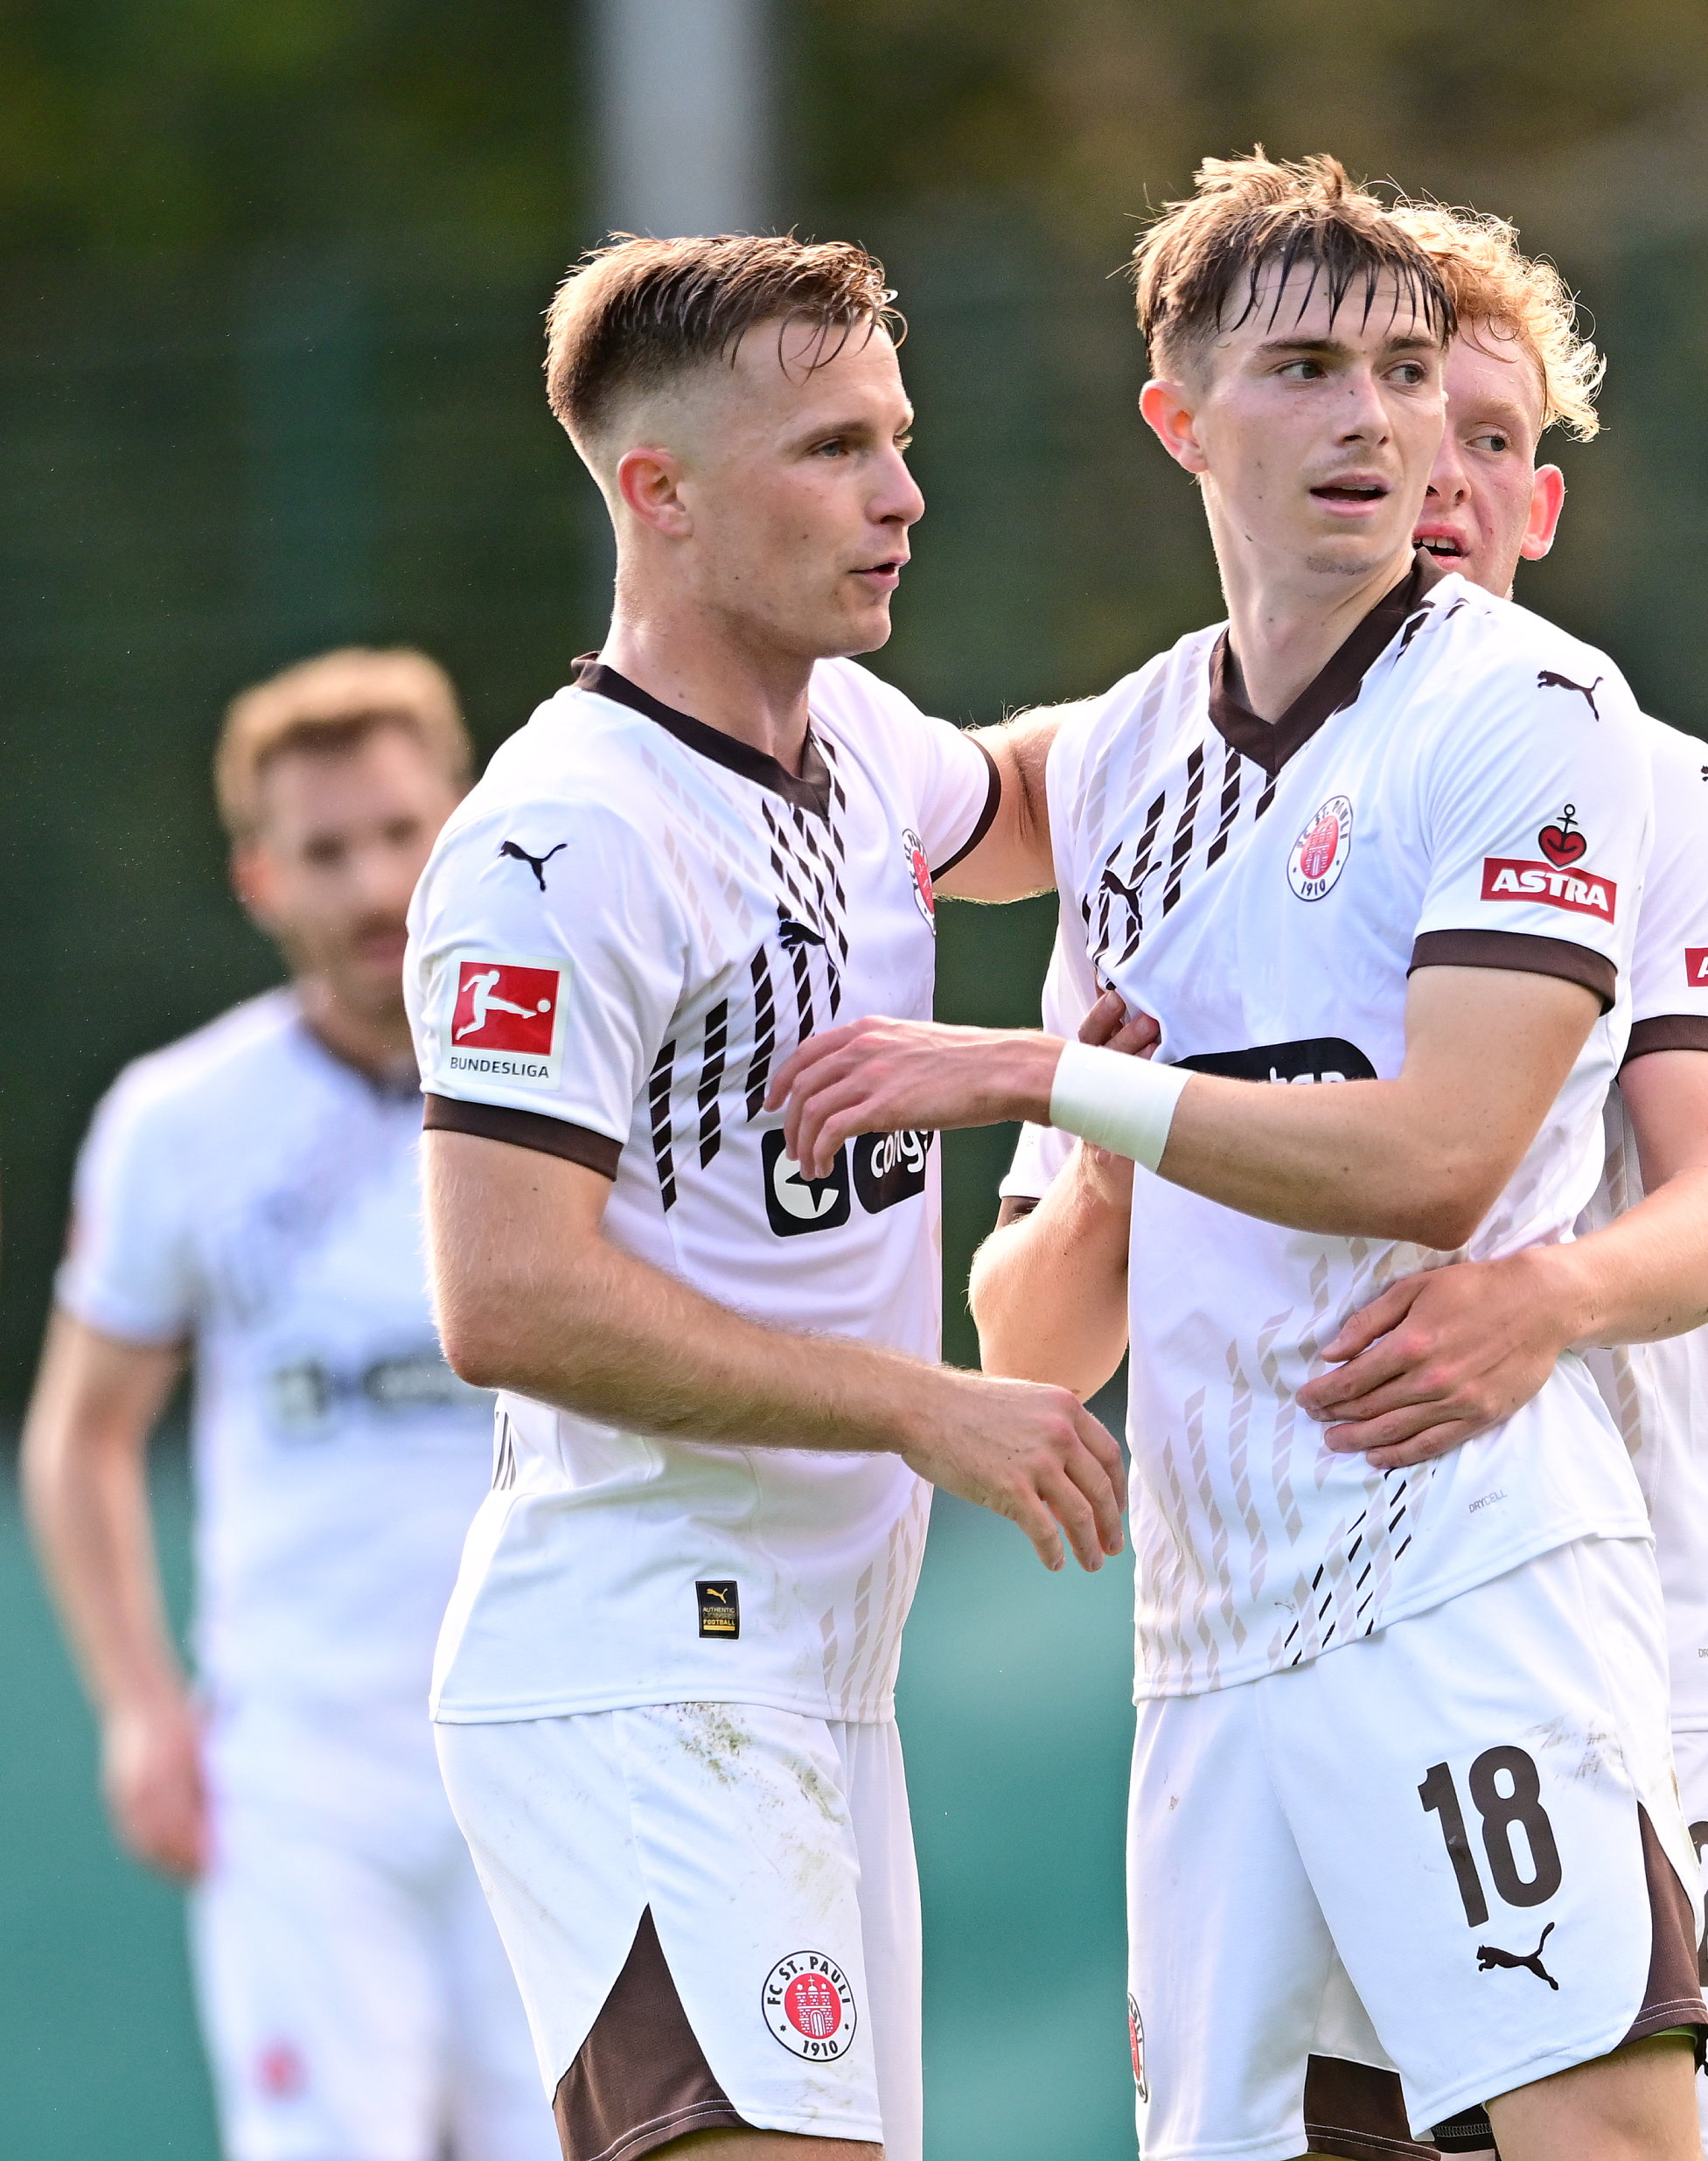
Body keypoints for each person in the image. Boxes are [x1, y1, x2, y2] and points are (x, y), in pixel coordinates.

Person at [764, 155, 1705, 2161]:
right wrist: (1093, 1167)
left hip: (1464, 1571)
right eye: (1302, 369)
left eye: (1398, 372)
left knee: (1605, 2143)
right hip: (1208, 1635)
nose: (1374, 422)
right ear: (1181, 423)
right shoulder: (1123, 760)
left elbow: (1444, 1157)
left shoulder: (1532, 704)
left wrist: (1046, 1078)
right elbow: (1030, 1346)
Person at [403, 233, 1118, 2161]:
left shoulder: (861, 745)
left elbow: (1044, 799)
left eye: (897, 438)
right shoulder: (563, 842)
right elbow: (509, 1300)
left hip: (815, 1671)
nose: (900, 494)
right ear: (660, 494)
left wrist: (1291, 675)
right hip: (644, 1655)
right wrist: (920, 1404)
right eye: (830, 450)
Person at [1262, 199, 1708, 2161]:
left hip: (1631, 1599)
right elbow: (1041, 1306)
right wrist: (1106, 1149)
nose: (1439, 474)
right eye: (1401, 416)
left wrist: (1538, 1297)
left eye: (1490, 437)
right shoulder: (1189, 785)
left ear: (1541, 506)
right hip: (1300, 1617)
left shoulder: (1651, 781)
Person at [23, 648, 555, 2161]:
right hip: (307, 1777)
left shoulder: (588, 1072)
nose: (376, 882)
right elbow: (81, 1432)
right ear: (260, 878)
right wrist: (138, 1710)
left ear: (462, 824)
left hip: (550, 1743)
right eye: (326, 851)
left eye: (401, 833)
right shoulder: (179, 1124)